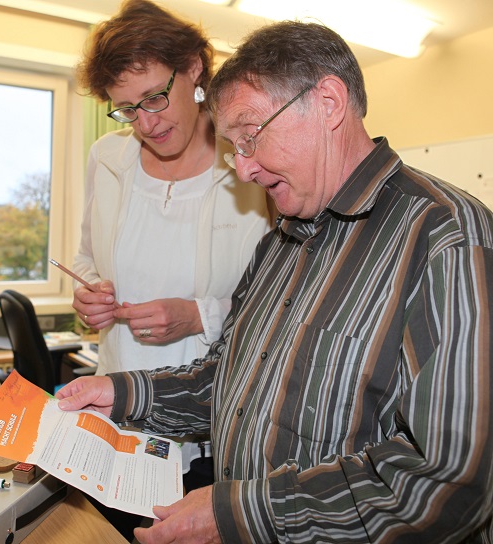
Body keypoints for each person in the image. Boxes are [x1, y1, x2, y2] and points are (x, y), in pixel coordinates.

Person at [58, 20, 493, 544]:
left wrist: (241, 515)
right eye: (232, 147)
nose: (242, 171)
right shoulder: (284, 239)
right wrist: (121, 395)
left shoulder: (446, 235)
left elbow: (450, 482)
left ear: (328, 102)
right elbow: (230, 378)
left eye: (250, 138)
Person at [71, 0, 271, 495]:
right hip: (115, 422)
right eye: (128, 108)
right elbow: (85, 260)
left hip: (211, 437)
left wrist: (199, 315)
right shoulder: (109, 158)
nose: (146, 123)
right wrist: (89, 297)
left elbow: (283, 304)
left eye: (155, 97)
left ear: (193, 68)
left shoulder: (250, 161)